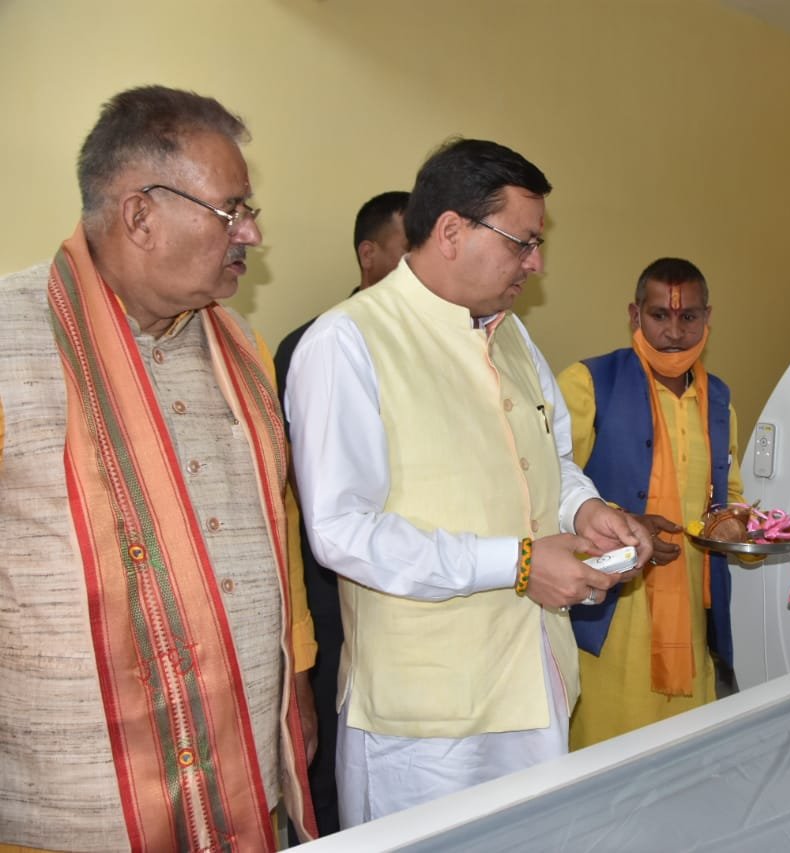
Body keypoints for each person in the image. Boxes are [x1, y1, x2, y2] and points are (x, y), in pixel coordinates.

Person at [284, 137, 653, 827]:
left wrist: (585, 510)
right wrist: (519, 564)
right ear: (452, 231)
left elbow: (552, 459)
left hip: (534, 679)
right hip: (427, 722)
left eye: (537, 244)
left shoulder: (511, 336)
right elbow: (342, 531)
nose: (536, 262)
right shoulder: (348, 341)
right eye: (523, 242)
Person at [0, 85, 318, 851]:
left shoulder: (242, 348)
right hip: (73, 801)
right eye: (231, 211)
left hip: (243, 769)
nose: (252, 233)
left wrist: (298, 681)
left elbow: (278, 527)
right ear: (140, 215)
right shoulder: (9, 339)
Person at [558, 257, 745, 750]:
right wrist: (623, 521)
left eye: (689, 317)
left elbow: (730, 496)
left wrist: (737, 526)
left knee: (684, 756)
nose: (675, 333)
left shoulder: (718, 400)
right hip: (611, 613)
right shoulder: (588, 383)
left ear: (707, 318)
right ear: (634, 314)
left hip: (693, 613)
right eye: (660, 315)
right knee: (603, 756)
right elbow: (549, 486)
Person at [273, 189, 409, 838]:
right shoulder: (316, 344)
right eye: (408, 248)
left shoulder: (444, 343)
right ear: (368, 254)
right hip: (333, 589)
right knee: (330, 753)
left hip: (422, 593)